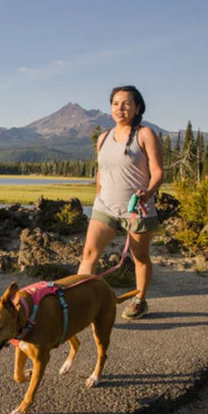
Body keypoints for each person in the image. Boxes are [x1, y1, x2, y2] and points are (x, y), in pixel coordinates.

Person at [78, 85, 164, 320]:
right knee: (89, 254)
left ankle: (140, 300)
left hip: (138, 208)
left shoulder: (145, 134)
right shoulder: (104, 138)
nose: (120, 108)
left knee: (140, 258)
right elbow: (101, 172)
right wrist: (98, 198)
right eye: (116, 103)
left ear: (137, 108)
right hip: (105, 207)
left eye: (126, 103)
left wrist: (148, 192)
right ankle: (80, 303)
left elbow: (158, 172)